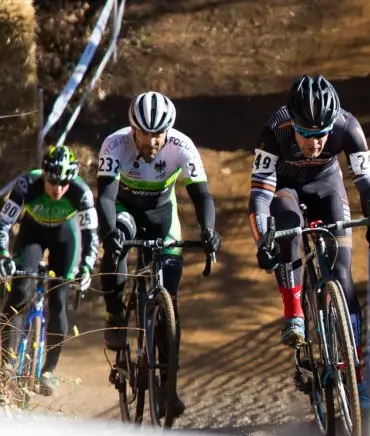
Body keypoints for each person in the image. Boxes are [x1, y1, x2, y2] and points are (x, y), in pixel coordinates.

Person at [248, 74, 370, 408]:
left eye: (321, 134)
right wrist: (263, 242)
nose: (315, 143)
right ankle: (295, 313)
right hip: (284, 187)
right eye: (307, 134)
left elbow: (368, 183)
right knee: (287, 226)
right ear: (293, 124)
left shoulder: (348, 126)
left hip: (327, 185)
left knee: (342, 273)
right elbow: (259, 194)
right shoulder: (275, 129)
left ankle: (355, 376)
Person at [96, 90, 222, 417]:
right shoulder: (114, 145)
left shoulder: (182, 147)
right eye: (145, 133)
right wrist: (111, 236)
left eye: (158, 134)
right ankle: (115, 314)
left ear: (168, 131)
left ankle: (167, 387)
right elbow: (107, 198)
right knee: (116, 249)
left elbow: (202, 195)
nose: (151, 142)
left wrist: (208, 230)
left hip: (162, 215)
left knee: (170, 301)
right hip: (124, 211)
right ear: (132, 129)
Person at [0, 145, 97, 395]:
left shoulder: (81, 192)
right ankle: (7, 363)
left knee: (59, 300)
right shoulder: (26, 184)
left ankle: (48, 370)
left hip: (64, 238)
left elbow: (91, 236)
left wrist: (86, 266)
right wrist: (3, 256)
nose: (58, 188)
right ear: (44, 173)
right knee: (21, 290)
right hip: (32, 234)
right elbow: (3, 223)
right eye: (53, 181)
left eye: (64, 183)